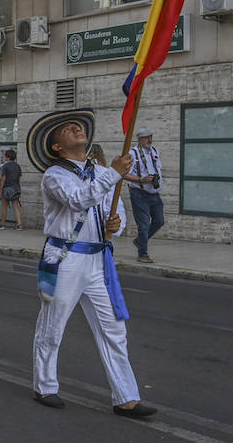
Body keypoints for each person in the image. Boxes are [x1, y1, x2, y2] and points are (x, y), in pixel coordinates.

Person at [26, 108, 156, 418]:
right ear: (56, 146)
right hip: (64, 257)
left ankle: (126, 397)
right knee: (53, 325)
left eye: (78, 126)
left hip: (99, 259)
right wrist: (114, 172)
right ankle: (45, 385)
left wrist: (116, 226)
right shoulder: (54, 175)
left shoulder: (101, 172)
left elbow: (118, 212)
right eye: (68, 129)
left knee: (114, 329)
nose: (76, 128)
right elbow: (78, 199)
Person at [123, 127, 164, 263]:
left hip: (154, 193)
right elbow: (123, 174)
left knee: (159, 221)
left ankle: (140, 241)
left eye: (151, 136)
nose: (150, 140)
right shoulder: (132, 154)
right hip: (139, 194)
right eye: (147, 137)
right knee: (144, 224)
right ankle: (143, 254)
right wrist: (141, 179)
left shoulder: (154, 152)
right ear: (139, 139)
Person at [0, 148, 24, 230]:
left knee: (4, 206)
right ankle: (19, 225)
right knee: (16, 206)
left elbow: (3, 179)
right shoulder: (17, 166)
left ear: (7, 157)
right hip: (16, 187)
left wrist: (0, 190)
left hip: (7, 188)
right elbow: (18, 177)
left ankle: (2, 224)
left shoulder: (5, 166)